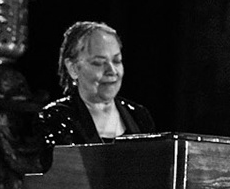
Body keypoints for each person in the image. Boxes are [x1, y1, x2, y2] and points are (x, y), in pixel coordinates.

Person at [36, 21, 157, 150]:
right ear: (73, 68)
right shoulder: (56, 118)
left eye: (117, 61)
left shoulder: (138, 115)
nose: (112, 71)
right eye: (98, 63)